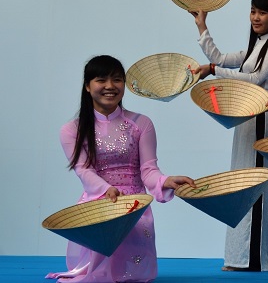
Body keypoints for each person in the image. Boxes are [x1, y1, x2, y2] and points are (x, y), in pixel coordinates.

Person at [46, 55, 196, 283]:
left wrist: (166, 180)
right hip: (98, 204)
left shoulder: (141, 123)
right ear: (88, 86)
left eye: (117, 80)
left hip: (135, 206)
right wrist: (107, 190)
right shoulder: (72, 129)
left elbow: (148, 170)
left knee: (133, 276)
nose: (110, 86)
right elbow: (83, 170)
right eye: (101, 80)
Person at [189, 0, 268, 272]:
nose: (256, 17)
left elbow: (255, 80)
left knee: (255, 187)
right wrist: (201, 25)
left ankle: (254, 259)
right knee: (240, 184)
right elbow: (219, 57)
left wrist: (214, 70)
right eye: (253, 11)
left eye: (263, 13)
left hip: (260, 121)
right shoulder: (255, 45)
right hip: (246, 121)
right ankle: (238, 257)